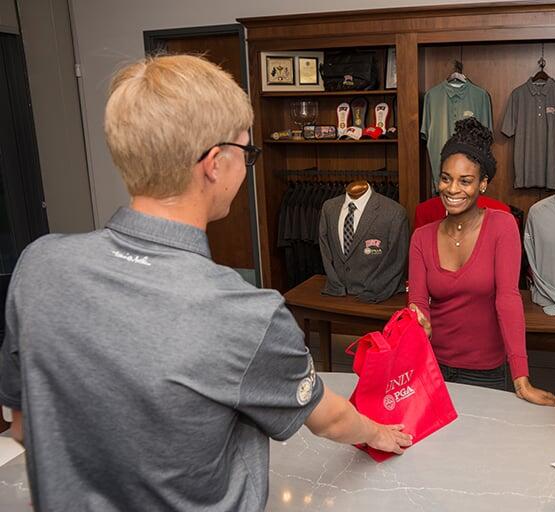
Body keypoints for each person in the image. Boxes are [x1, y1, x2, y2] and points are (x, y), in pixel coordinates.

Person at [0, 55, 410, 512]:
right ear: (215, 163)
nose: (247, 165)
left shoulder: (39, 266)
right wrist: (378, 432)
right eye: (247, 152)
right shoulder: (246, 313)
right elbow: (330, 420)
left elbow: (21, 423)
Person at [408, 117, 555, 406]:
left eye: (465, 181)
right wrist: (418, 329)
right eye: (446, 178)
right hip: (433, 365)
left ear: (483, 184)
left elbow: (508, 299)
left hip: (486, 370)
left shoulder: (502, 226)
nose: (452, 189)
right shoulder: (420, 237)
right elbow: (418, 303)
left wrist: (522, 380)